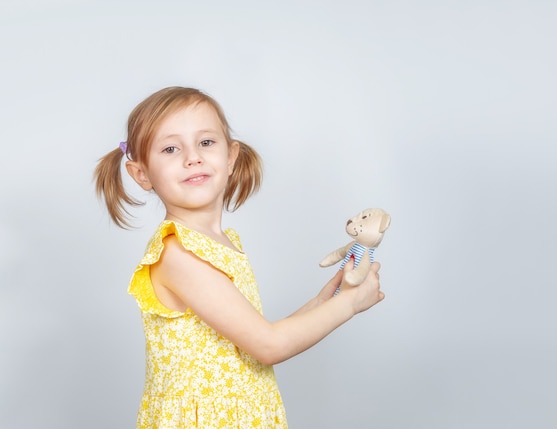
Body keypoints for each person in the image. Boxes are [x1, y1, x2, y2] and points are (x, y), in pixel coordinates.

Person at [94, 86, 384, 429]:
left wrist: (326, 299)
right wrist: (348, 305)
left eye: (205, 142)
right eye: (171, 148)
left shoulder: (220, 242)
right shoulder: (177, 253)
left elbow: (253, 336)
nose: (192, 157)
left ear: (231, 157)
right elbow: (268, 345)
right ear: (141, 174)